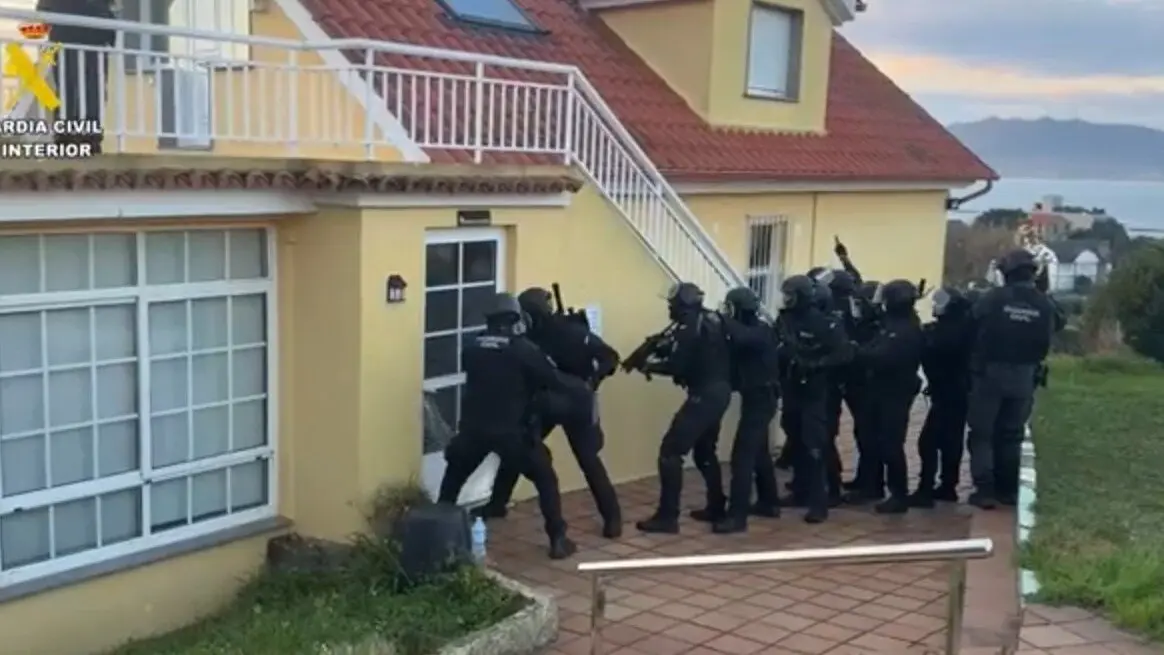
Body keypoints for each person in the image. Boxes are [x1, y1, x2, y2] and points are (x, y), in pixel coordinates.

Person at [438, 293, 589, 560]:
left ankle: (436, 535)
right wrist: (582, 387)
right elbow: (553, 380)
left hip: (474, 430)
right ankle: (558, 538)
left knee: (452, 482)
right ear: (515, 318)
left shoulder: (471, 347)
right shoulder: (523, 350)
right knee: (546, 479)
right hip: (512, 433)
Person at [479, 287, 623, 538]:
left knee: (588, 460)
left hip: (576, 404)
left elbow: (610, 357)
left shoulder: (573, 332)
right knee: (520, 447)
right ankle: (497, 504)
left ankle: (613, 518)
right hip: (547, 402)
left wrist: (591, 383)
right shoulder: (531, 336)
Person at [966, 249, 1060, 509]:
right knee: (1011, 434)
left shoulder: (993, 298)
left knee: (982, 434)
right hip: (1025, 377)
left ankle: (985, 491)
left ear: (1006, 272)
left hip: (990, 375)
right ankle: (1007, 491)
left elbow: (970, 322)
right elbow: (1054, 328)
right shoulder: (1044, 304)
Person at [636, 282, 733, 534]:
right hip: (719, 392)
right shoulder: (712, 318)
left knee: (670, 452)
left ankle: (667, 516)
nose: (670, 308)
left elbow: (679, 365)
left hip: (704, 395)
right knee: (704, 452)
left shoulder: (690, 326)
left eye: (673, 304)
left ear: (683, 304)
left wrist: (651, 366)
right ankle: (716, 505)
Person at [774, 275, 852, 523]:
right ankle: (800, 491)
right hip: (791, 388)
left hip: (815, 391)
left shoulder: (824, 323)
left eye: (791, 295)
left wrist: (816, 363)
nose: (786, 299)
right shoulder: (784, 319)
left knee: (814, 444)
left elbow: (844, 352)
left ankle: (820, 502)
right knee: (794, 439)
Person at [852, 279, 924, 514]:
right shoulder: (894, 322)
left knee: (891, 444)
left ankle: (899, 494)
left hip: (895, 392)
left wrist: (855, 352)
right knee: (871, 438)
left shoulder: (905, 329)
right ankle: (872, 486)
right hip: (881, 390)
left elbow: (881, 356)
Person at [713, 286, 781, 534]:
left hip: (762, 399)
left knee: (742, 457)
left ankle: (737, 516)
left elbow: (741, 337)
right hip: (756, 397)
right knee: (760, 451)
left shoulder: (762, 331)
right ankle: (769, 502)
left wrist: (721, 319)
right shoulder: (754, 329)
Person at [910, 286, 975, 507]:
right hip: (953, 391)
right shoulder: (961, 327)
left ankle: (927, 489)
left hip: (951, 392)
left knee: (928, 442)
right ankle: (948, 486)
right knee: (951, 440)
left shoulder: (953, 332)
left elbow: (937, 346)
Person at [38, 0, 115, 153]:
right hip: (75, 41)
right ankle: (76, 139)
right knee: (78, 90)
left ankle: (80, 139)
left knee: (86, 91)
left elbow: (44, 10)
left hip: (88, 42)